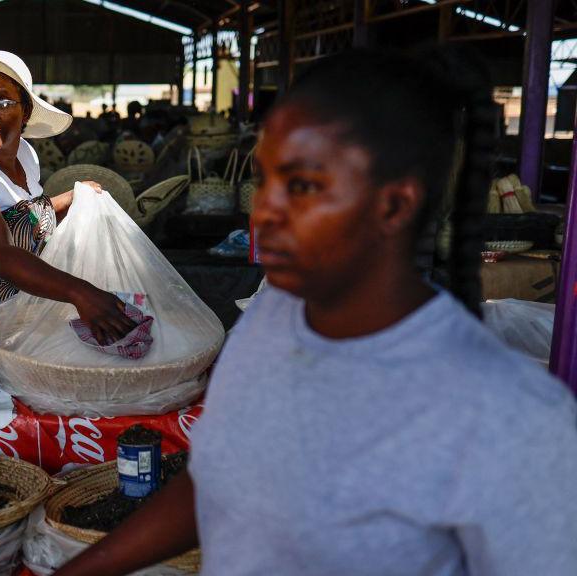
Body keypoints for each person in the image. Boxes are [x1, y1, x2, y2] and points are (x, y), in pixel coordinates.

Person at [55, 48, 577, 576]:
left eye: (302, 186)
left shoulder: (513, 421)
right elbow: (225, 475)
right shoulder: (274, 316)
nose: (265, 211)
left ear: (394, 205)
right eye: (266, 179)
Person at [0, 51, 135, 343]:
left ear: (26, 112)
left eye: (3, 102)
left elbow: (24, 219)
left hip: (11, 318)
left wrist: (74, 197)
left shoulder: (25, 155)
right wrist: (82, 293)